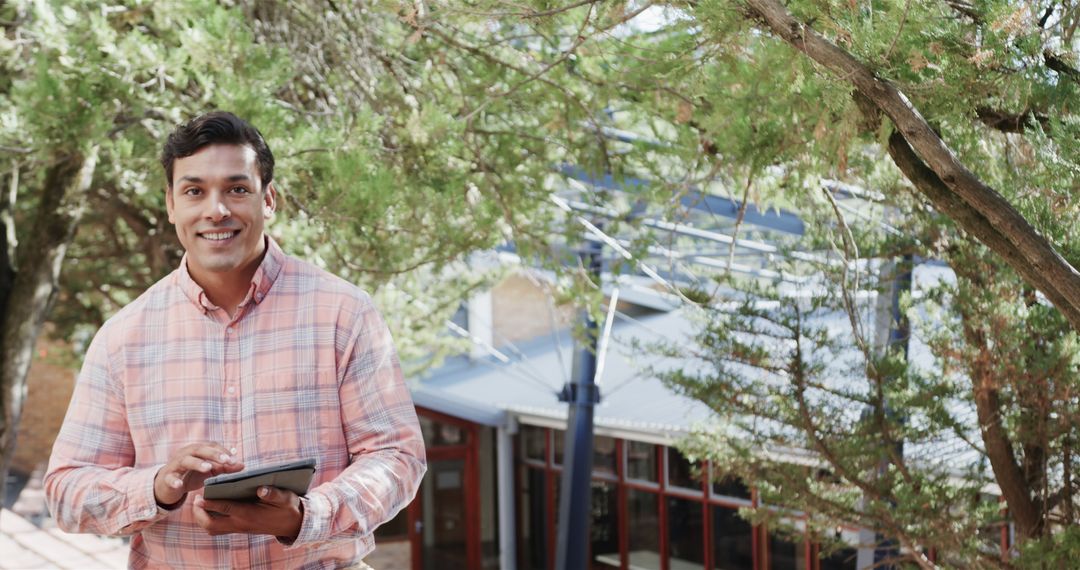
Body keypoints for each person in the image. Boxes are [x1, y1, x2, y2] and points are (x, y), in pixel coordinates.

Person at [44, 111, 426, 569]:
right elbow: (66, 489)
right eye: (194, 191)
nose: (216, 210)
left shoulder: (343, 314)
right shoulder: (123, 338)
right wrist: (157, 487)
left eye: (237, 189)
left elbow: (397, 457)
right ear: (171, 204)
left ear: (269, 200)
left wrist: (304, 516)